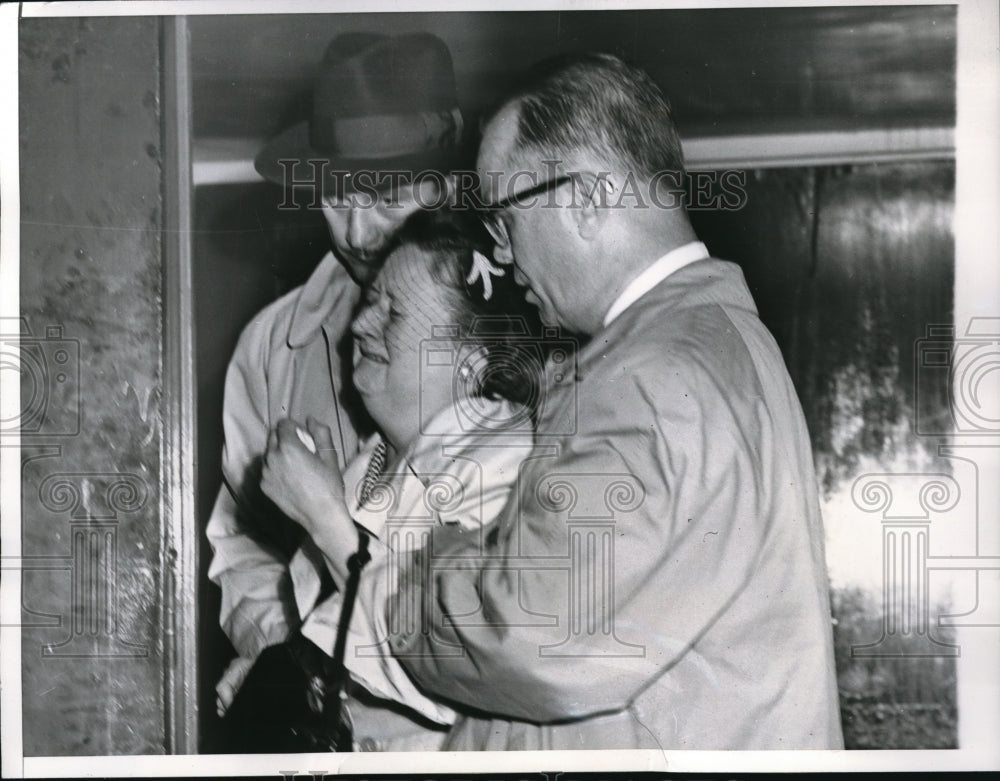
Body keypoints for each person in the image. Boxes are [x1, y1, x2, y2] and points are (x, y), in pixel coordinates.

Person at [379, 53, 845, 750]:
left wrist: (419, 573)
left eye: (504, 220)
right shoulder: (707, 346)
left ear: (588, 199)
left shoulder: (651, 380)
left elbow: (538, 635)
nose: (500, 257)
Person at [205, 32, 468, 718]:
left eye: (383, 198)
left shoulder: (513, 330)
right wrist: (283, 657)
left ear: (444, 186)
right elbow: (243, 546)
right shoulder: (269, 347)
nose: (355, 233)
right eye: (336, 198)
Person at [258, 218, 541, 750]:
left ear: (469, 362)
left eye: (394, 312)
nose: (360, 324)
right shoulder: (371, 461)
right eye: (369, 301)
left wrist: (327, 521)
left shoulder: (511, 463)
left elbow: (463, 659)